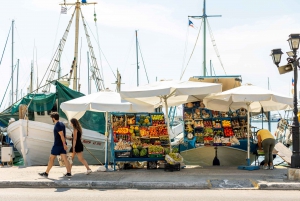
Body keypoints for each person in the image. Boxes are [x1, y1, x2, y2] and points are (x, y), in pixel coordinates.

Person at [38, 112, 72, 178]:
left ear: (53, 118)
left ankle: (46, 173)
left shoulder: (57, 125)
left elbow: (62, 135)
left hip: (57, 145)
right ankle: (68, 173)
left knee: (51, 159)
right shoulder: (62, 124)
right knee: (65, 159)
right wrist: (64, 143)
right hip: (61, 145)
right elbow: (63, 135)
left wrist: (64, 144)